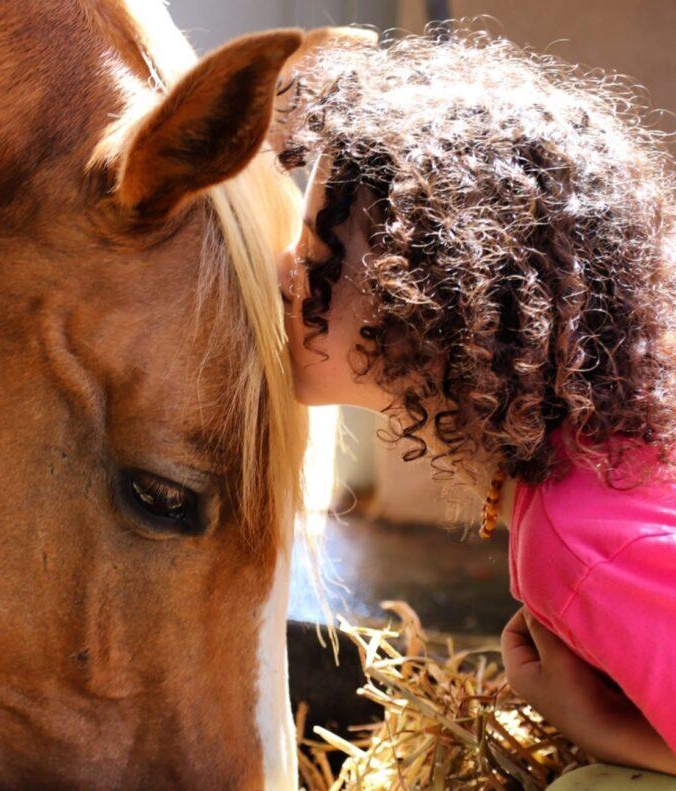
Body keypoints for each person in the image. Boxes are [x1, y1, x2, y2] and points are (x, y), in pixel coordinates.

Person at [276, 28, 676, 775]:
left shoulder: (579, 541)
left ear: (428, 298)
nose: (280, 271)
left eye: (314, 250)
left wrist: (590, 724)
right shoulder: (605, 451)